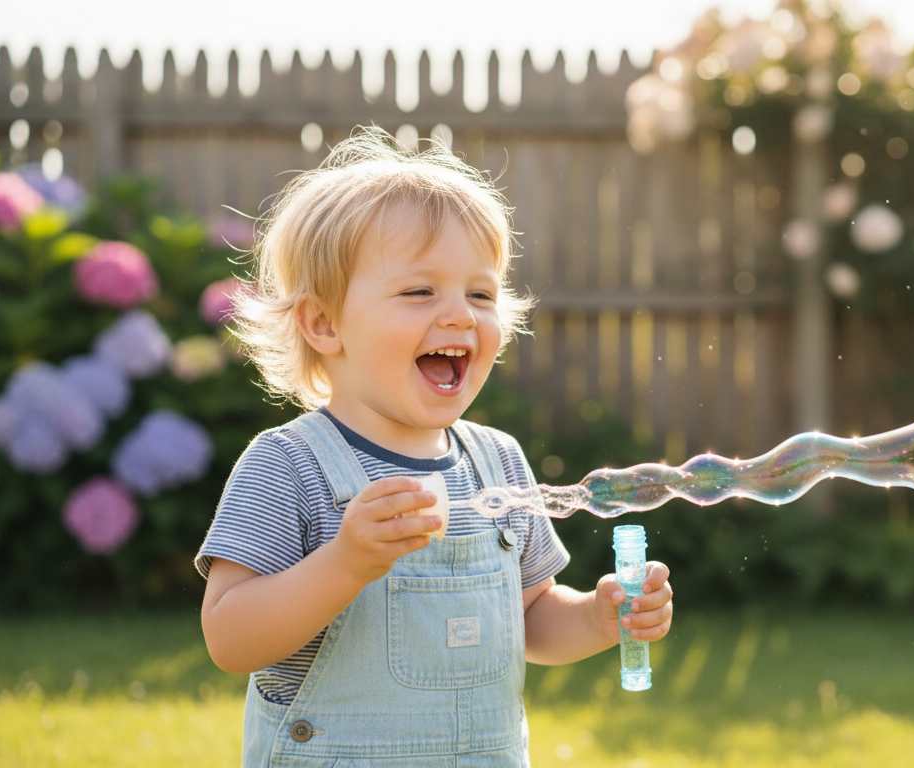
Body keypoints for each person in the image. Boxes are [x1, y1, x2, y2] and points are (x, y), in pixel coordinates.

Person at [196, 127, 675, 767]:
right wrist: (344, 563)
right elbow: (230, 638)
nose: (459, 314)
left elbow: (529, 615)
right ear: (324, 322)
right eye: (420, 291)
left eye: (480, 293)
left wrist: (596, 616)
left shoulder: (498, 460)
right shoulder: (289, 464)